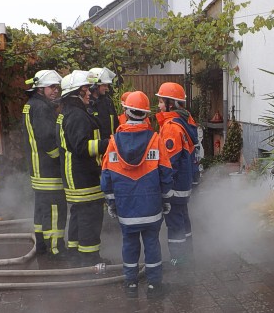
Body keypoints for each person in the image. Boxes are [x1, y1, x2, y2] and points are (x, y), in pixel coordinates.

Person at [101, 91, 173, 298]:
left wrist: (112, 204)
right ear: (146, 114)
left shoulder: (114, 142)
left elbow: (106, 178)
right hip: (151, 207)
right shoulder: (155, 139)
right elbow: (166, 174)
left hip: (126, 208)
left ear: (126, 112)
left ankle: (131, 283)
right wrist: (166, 200)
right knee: (152, 244)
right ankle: (154, 285)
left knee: (129, 243)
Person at [56, 70, 109, 266]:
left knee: (79, 214)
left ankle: (75, 253)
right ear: (75, 94)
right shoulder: (77, 116)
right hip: (83, 176)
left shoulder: (70, 113)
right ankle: (90, 259)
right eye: (85, 90)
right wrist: (107, 143)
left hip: (76, 175)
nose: (89, 93)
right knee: (91, 216)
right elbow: (81, 147)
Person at [21, 69, 67, 259]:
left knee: (41, 210)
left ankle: (41, 245)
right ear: (40, 88)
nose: (55, 91)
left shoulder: (31, 105)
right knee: (55, 210)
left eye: (57, 87)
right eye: (51, 87)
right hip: (48, 169)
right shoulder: (41, 108)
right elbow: (47, 138)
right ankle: (56, 249)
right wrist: (60, 158)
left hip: (37, 169)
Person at [154, 82, 200, 267]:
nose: (158, 106)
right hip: (184, 183)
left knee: (175, 224)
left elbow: (168, 162)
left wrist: (161, 185)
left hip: (174, 185)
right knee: (183, 219)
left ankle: (179, 259)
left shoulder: (172, 126)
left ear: (170, 103)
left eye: (160, 102)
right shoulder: (186, 121)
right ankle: (188, 254)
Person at [88, 67, 118, 138]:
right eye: (104, 85)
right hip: (94, 147)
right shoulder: (87, 104)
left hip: (110, 146)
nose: (107, 88)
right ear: (94, 86)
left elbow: (115, 124)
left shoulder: (108, 102)